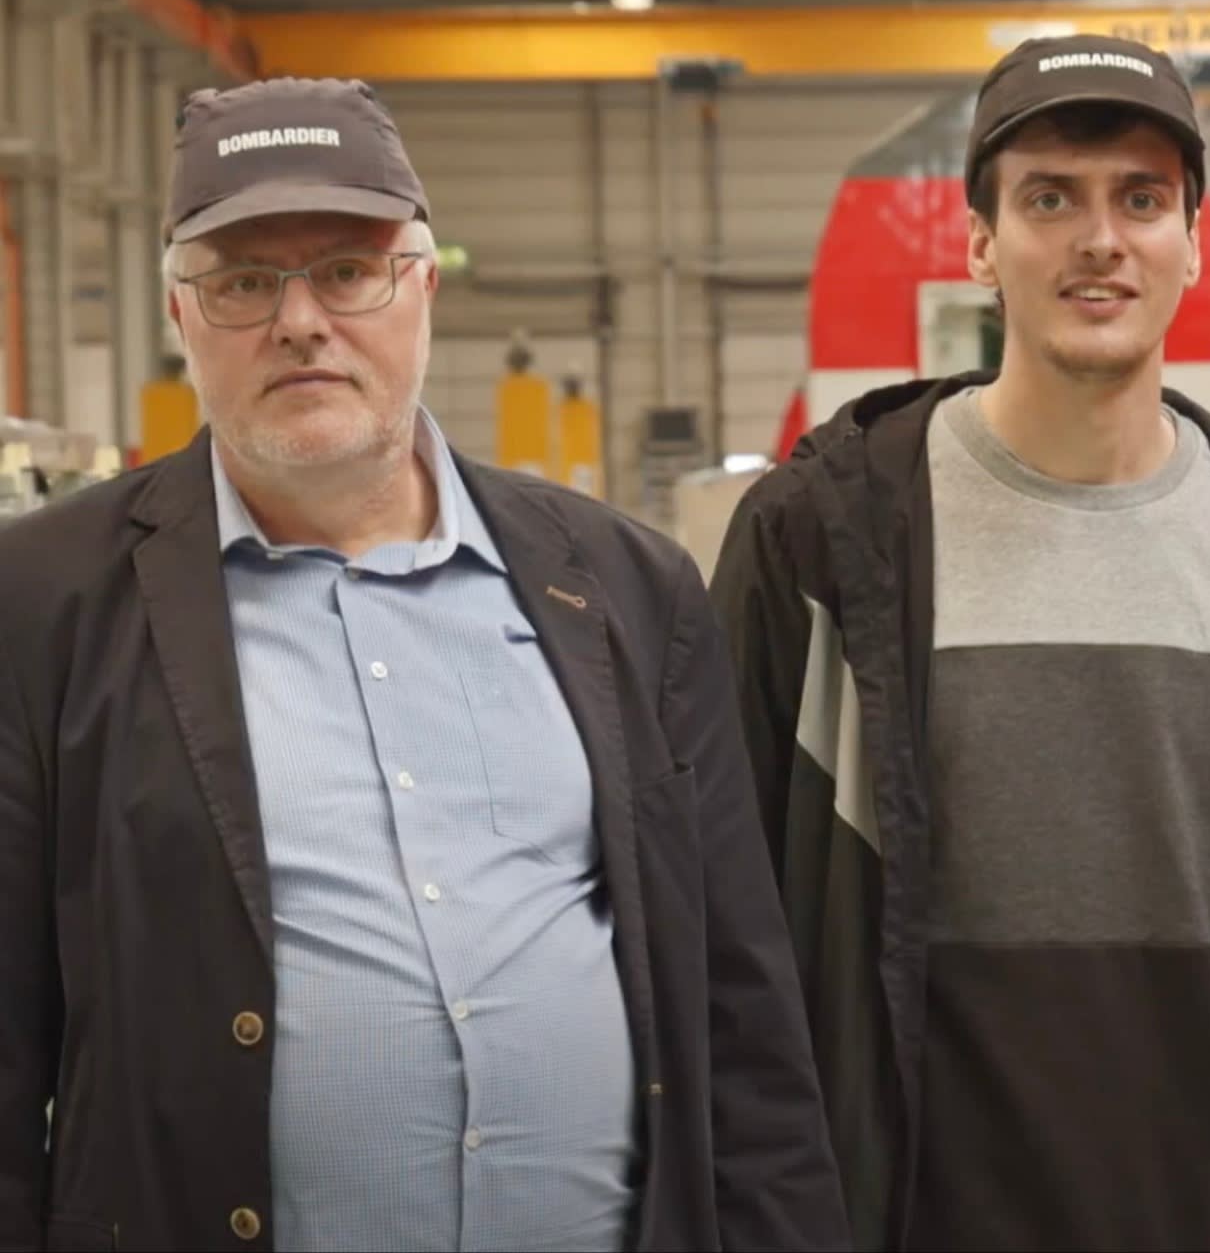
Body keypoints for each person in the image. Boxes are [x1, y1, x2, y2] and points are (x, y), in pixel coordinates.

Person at [0, 77, 848, 1252]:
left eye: (347, 272)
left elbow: (743, 1018)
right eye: (246, 281)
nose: (300, 320)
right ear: (181, 315)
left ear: (423, 287)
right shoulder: (43, 604)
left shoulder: (624, 587)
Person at [710, 34, 1210, 1252]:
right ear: (979, 244)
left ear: (1190, 244)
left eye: (1142, 200)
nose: (1098, 238)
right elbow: (723, 931)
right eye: (1049, 197)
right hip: (914, 1214)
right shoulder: (821, 539)